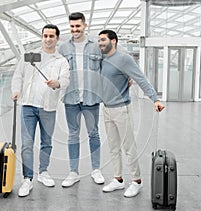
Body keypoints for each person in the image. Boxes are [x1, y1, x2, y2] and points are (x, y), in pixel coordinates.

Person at [98, 29, 165, 198]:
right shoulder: (102, 60)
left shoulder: (124, 59)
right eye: (99, 40)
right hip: (106, 109)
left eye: (103, 40)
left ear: (113, 41)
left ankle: (136, 181)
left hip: (122, 109)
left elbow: (141, 78)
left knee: (129, 147)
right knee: (113, 148)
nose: (100, 43)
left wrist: (155, 99)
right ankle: (118, 180)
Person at [11, 24, 70, 197]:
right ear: (42, 37)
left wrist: (56, 84)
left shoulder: (61, 61)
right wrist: (16, 90)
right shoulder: (30, 56)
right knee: (27, 144)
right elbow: (18, 75)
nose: (48, 39)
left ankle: (43, 173)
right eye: (45, 36)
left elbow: (65, 80)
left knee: (46, 142)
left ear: (57, 39)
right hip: (28, 106)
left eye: (52, 36)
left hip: (48, 108)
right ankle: (27, 179)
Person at [58, 12, 105, 187]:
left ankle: (96, 169)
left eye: (78, 26)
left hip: (91, 97)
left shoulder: (96, 45)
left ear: (85, 25)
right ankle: (73, 172)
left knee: (93, 134)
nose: (75, 29)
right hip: (71, 98)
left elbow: (109, 62)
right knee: (73, 135)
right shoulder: (63, 48)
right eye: (72, 26)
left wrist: (125, 75)